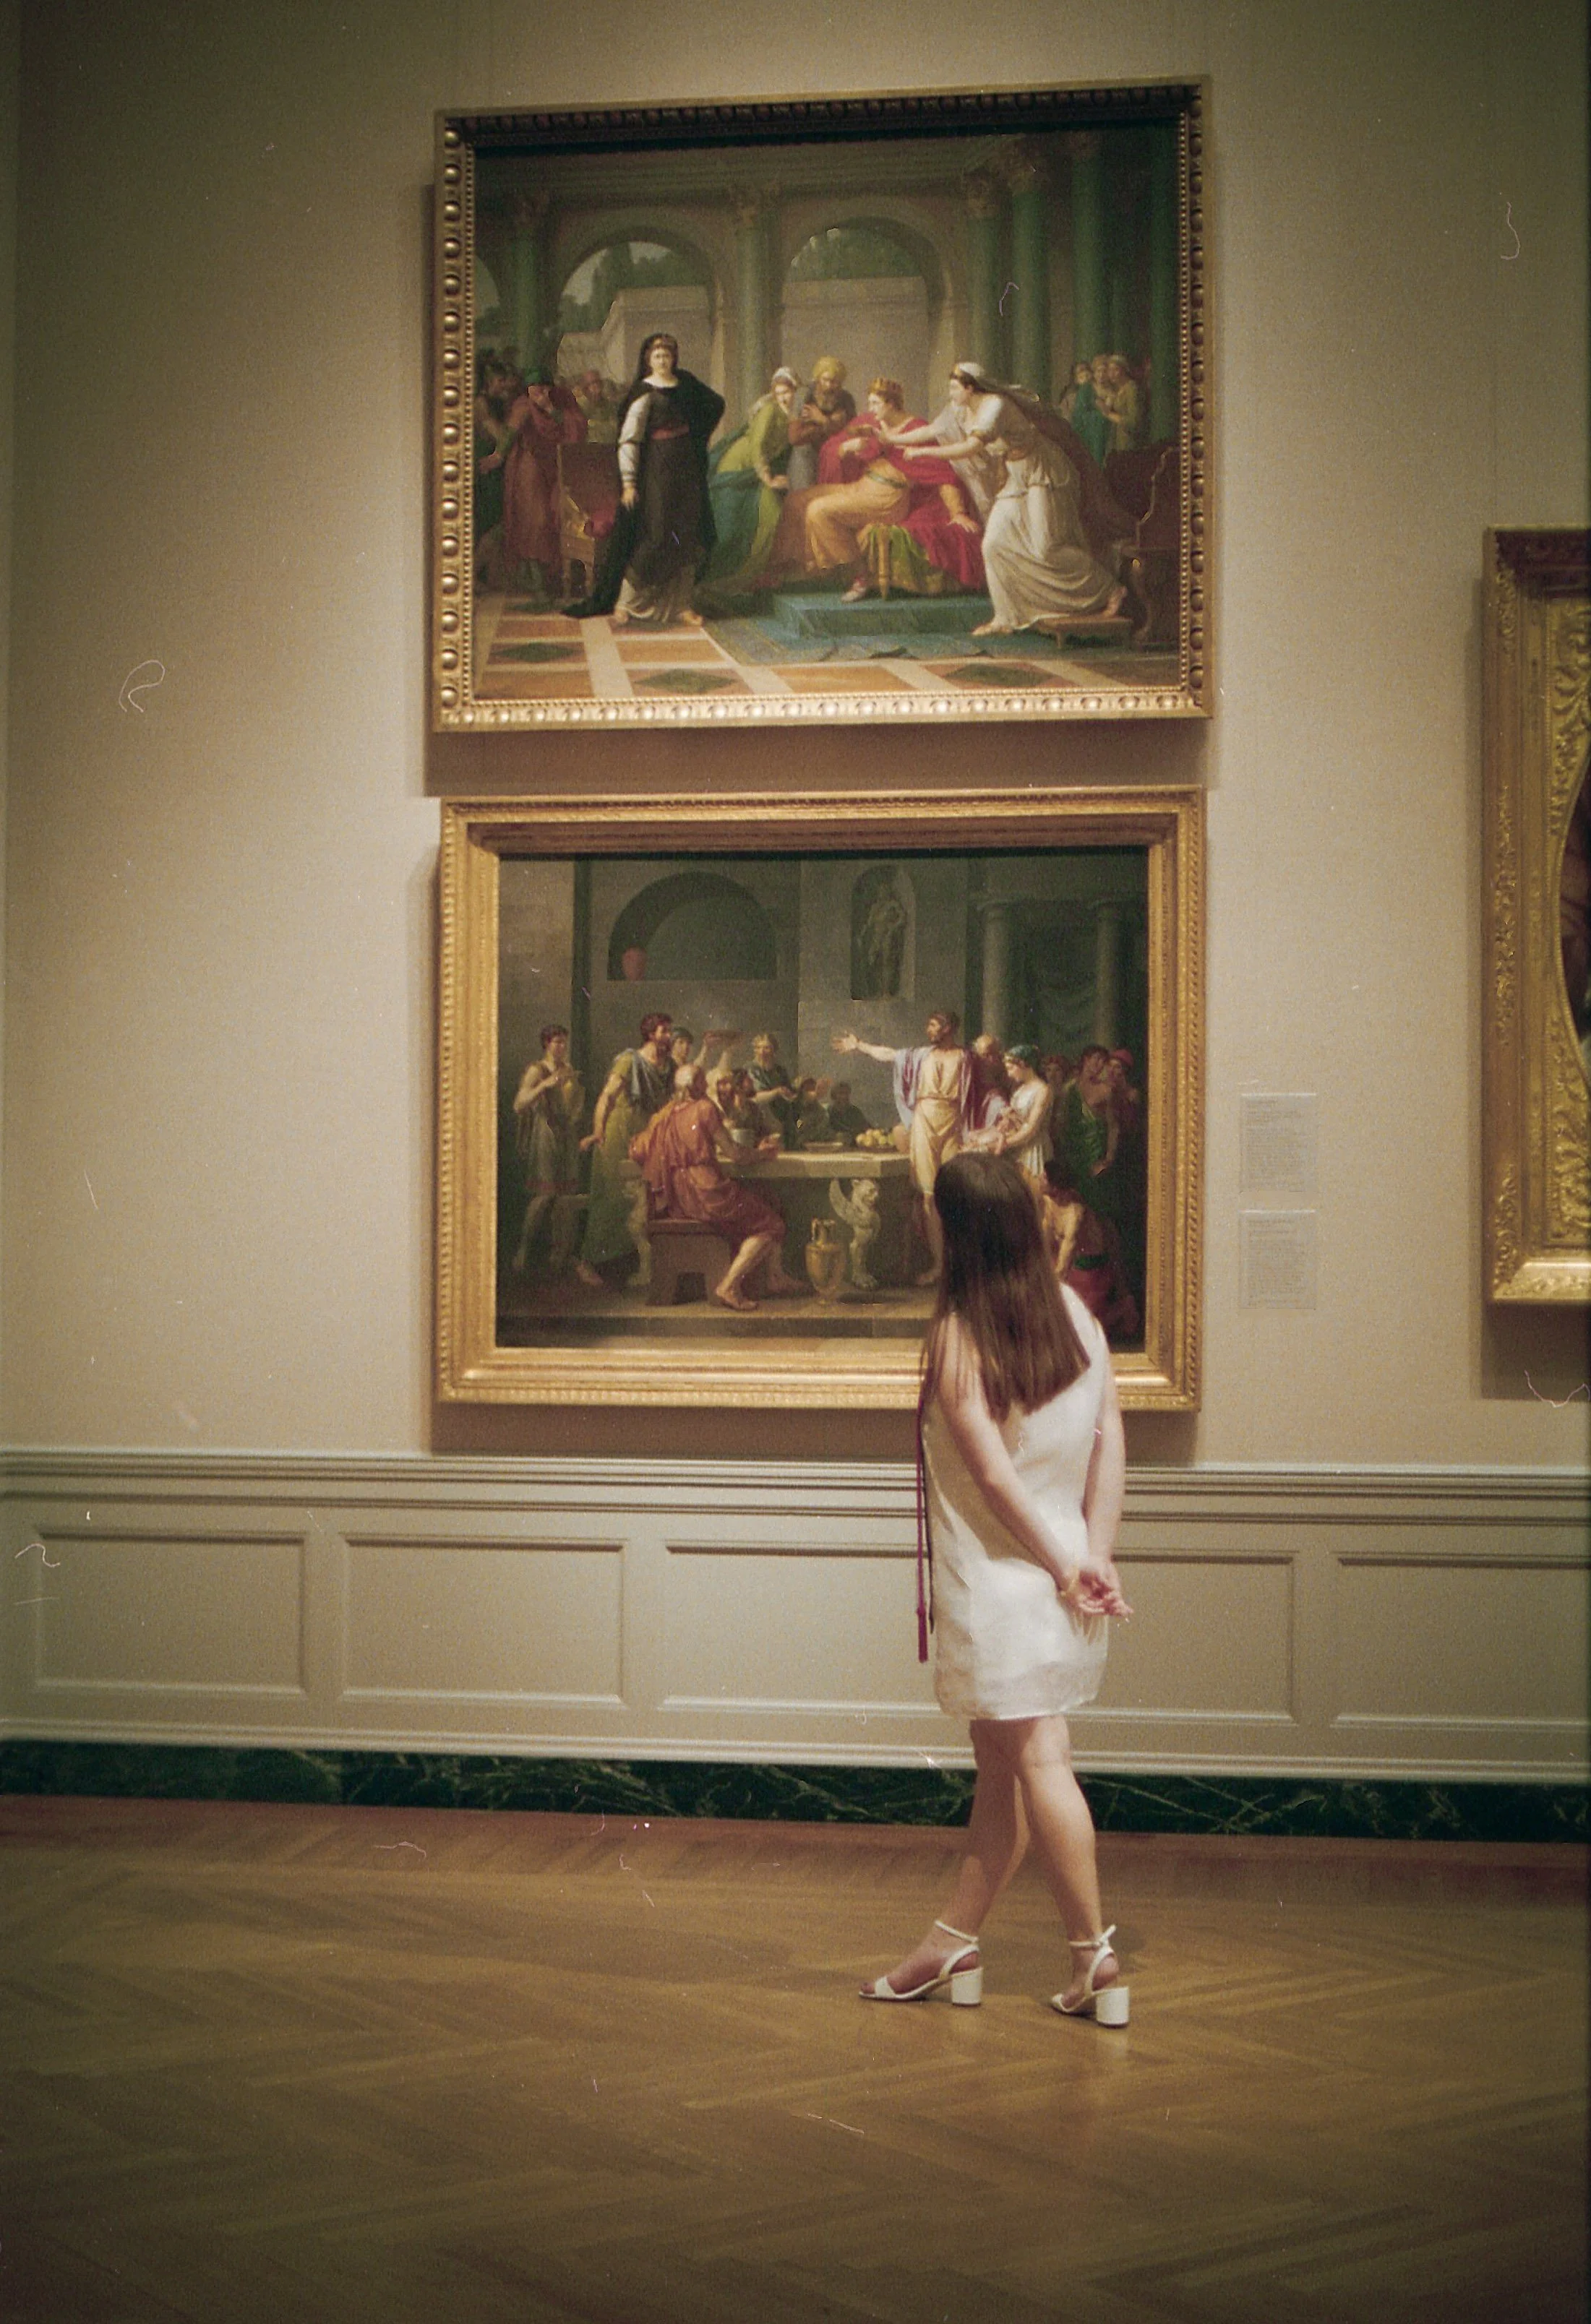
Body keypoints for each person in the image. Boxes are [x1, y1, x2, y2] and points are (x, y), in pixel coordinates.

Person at [862, 1150, 1132, 2021]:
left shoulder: (956, 1336)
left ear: (951, 1227)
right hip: (1060, 1580)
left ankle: (1093, 1957)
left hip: (1006, 1586)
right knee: (1000, 1771)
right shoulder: (1076, 1319)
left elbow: (989, 1479)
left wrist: (1067, 1565)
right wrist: (1094, 1552)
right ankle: (950, 1943)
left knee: (1038, 1761)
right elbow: (1108, 1439)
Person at [891, 364, 1131, 635]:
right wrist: (887, 437)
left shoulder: (995, 405)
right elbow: (931, 431)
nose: (950, 393)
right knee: (993, 545)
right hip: (1016, 477)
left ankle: (1111, 589)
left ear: (971, 387)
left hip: (1043, 472)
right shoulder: (960, 409)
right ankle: (1005, 617)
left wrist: (924, 455)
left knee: (1046, 548)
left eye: (954, 388)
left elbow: (971, 447)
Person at [576, 333, 726, 627]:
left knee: (687, 535)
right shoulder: (643, 393)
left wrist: (697, 434)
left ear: (674, 358)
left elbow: (714, 406)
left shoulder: (685, 387)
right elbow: (629, 440)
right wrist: (630, 483)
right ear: (648, 360)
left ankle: (682, 605)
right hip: (656, 472)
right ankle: (625, 602)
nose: (663, 360)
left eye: (667, 355)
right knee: (657, 536)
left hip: (687, 471)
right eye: (657, 356)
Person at [630, 1063, 807, 1312]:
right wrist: (763, 1154)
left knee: (768, 1200)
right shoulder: (705, 1108)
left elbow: (639, 1150)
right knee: (772, 1224)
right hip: (708, 1192)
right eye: (703, 1080)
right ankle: (729, 1286)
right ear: (694, 1086)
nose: (708, 1085)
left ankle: (774, 1276)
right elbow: (735, 1154)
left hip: (680, 1197)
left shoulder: (665, 1114)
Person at [833, 1009, 972, 1282]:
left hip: (954, 1123)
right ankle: (939, 1266)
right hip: (925, 1123)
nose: (929, 1030)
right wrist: (859, 1045)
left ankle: (962, 1267)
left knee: (957, 1194)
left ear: (948, 1028)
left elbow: (981, 1090)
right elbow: (889, 1055)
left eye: (934, 1026)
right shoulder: (921, 1056)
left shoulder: (966, 1058)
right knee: (930, 1197)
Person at [576, 1012, 675, 1288]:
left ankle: (633, 1264)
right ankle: (587, 1262)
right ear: (650, 1033)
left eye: (669, 1031)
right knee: (611, 1198)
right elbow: (607, 1097)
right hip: (617, 1133)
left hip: (644, 1136)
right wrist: (598, 1131)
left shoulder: (667, 1066)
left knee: (640, 1200)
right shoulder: (629, 1061)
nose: (668, 1036)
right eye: (663, 1031)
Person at [704, 366, 799, 595]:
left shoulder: (791, 418)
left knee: (770, 513)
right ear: (773, 392)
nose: (784, 397)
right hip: (740, 464)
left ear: (794, 392)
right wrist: (768, 478)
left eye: (787, 392)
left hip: (757, 470)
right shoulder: (770, 410)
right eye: (779, 392)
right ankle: (717, 579)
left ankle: (750, 577)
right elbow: (757, 446)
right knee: (732, 521)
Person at [510, 1025, 586, 1275]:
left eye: (564, 1042)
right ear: (546, 1044)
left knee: (565, 1197)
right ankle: (524, 1250)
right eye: (556, 1042)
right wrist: (544, 1086)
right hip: (545, 1134)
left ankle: (560, 1254)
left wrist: (573, 1118)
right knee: (544, 1195)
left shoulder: (569, 1070)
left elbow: (575, 1103)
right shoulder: (537, 1070)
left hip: (566, 1136)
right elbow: (519, 1104)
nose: (561, 1047)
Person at [784, 356, 855, 491]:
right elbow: (795, 437)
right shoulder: (804, 395)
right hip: (806, 461)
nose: (829, 386)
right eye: (825, 380)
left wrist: (821, 419)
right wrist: (832, 424)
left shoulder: (846, 399)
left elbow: (850, 434)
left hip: (833, 460)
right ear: (818, 378)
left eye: (834, 382)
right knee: (804, 502)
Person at [992, 1043, 1054, 1184]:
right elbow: (1017, 1121)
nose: (1009, 1074)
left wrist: (1004, 1144)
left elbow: (1031, 1130)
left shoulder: (1042, 1090)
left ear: (1023, 1064)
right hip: (1017, 1146)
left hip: (1034, 1149)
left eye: (1011, 1068)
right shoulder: (1020, 1089)